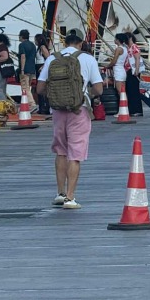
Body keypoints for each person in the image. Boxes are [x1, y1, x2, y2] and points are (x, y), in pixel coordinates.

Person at [36, 30, 103, 210]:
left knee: (61, 151)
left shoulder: (52, 58)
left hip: (57, 109)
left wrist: (56, 96)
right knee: (76, 153)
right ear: (80, 43)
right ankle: (71, 198)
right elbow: (99, 88)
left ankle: (60, 193)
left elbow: (40, 88)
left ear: (65, 42)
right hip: (78, 109)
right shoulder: (88, 59)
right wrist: (86, 94)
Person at [18, 30, 38, 108]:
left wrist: (22, 69)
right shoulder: (33, 45)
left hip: (25, 69)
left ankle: (32, 104)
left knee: (25, 87)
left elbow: (23, 56)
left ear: (22, 37)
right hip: (32, 68)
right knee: (28, 86)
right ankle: (28, 103)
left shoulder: (21, 45)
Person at [125, 33, 144, 116]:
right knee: (130, 90)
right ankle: (132, 109)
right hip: (129, 70)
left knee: (134, 90)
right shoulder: (129, 48)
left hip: (133, 70)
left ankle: (136, 110)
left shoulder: (134, 47)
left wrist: (137, 70)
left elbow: (137, 58)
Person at [109, 33, 129, 103]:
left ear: (118, 40)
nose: (114, 40)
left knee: (120, 91)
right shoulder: (125, 48)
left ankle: (123, 110)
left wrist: (108, 66)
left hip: (118, 70)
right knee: (123, 91)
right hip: (122, 70)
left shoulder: (118, 49)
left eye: (115, 39)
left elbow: (114, 61)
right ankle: (125, 109)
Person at [34, 33, 52, 114]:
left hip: (41, 66)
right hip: (38, 66)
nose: (35, 41)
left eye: (35, 40)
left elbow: (48, 58)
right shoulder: (39, 48)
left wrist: (43, 67)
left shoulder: (42, 47)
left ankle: (44, 107)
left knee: (42, 86)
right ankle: (42, 107)